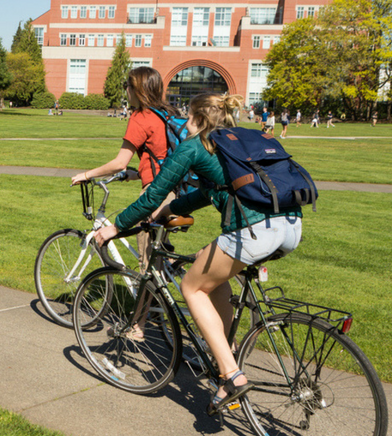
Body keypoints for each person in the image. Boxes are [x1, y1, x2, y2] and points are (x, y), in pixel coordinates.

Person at [95, 92, 303, 415]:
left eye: (188, 117)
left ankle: (232, 376)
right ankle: (229, 353)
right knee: (212, 278)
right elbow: (206, 195)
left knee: (191, 286)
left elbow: (152, 197)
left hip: (255, 231)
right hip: (290, 225)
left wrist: (115, 227)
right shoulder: (233, 146)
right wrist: (169, 211)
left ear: (199, 121)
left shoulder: (193, 146)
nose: (184, 123)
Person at [71, 66, 176, 274]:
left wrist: (86, 174)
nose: (126, 90)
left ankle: (145, 307)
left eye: (127, 86)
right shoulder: (166, 114)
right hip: (174, 191)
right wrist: (137, 174)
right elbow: (162, 158)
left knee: (147, 267)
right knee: (161, 258)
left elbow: (120, 162)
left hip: (155, 194)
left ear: (137, 89)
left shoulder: (141, 117)